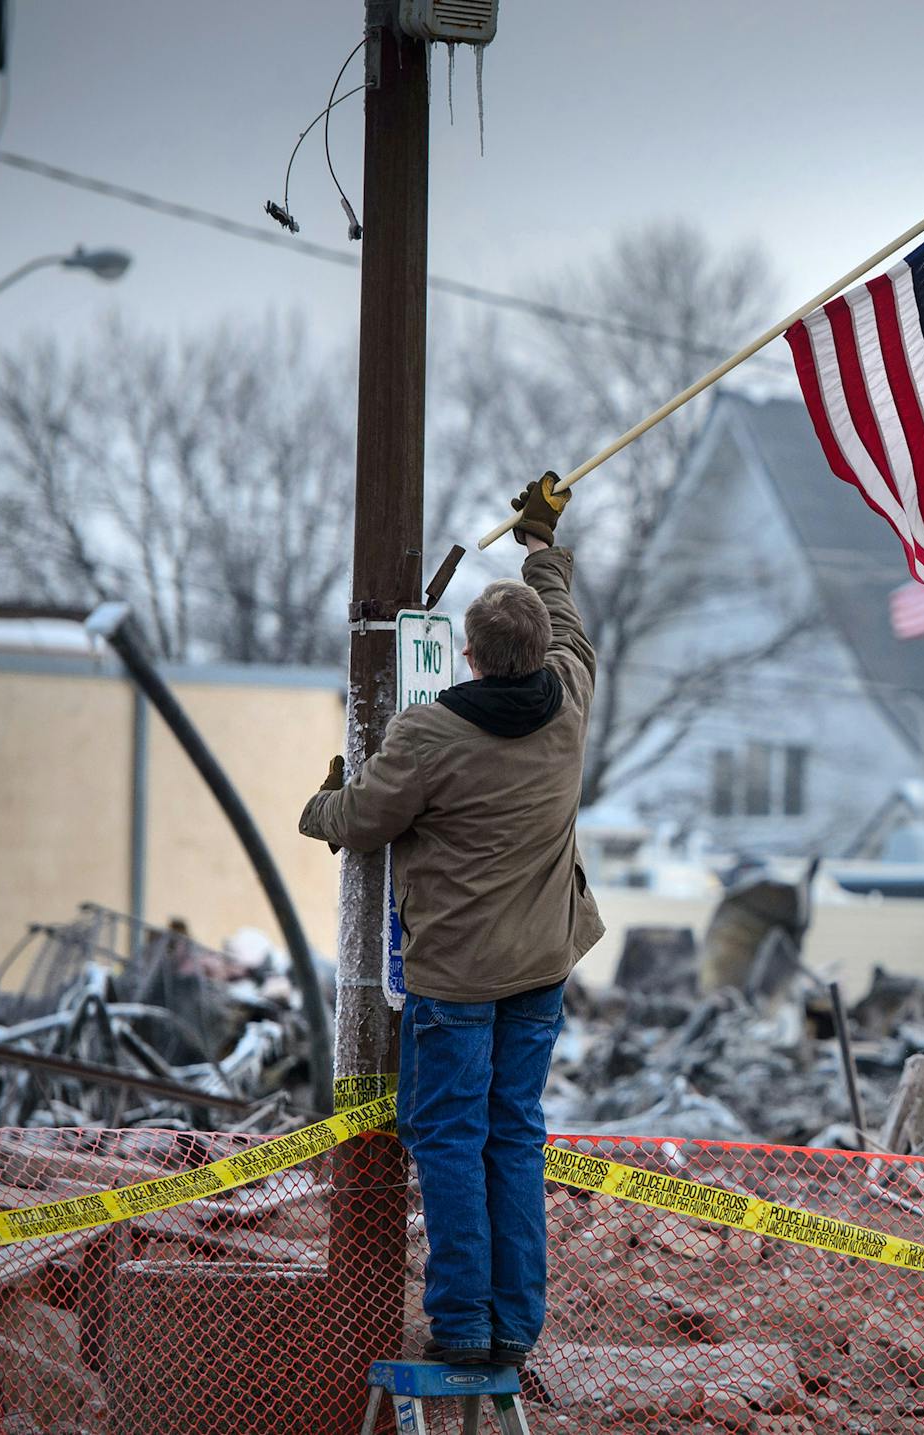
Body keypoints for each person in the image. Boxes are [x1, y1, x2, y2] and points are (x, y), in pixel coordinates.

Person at [299, 473, 603, 1367]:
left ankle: (463, 1320)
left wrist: (320, 804)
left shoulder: (429, 736)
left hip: (459, 980)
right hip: (542, 967)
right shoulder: (570, 700)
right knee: (513, 1134)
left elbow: (363, 822)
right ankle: (515, 1325)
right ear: (540, 653)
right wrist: (544, 547)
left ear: (466, 655)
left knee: (448, 1137)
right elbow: (566, 622)